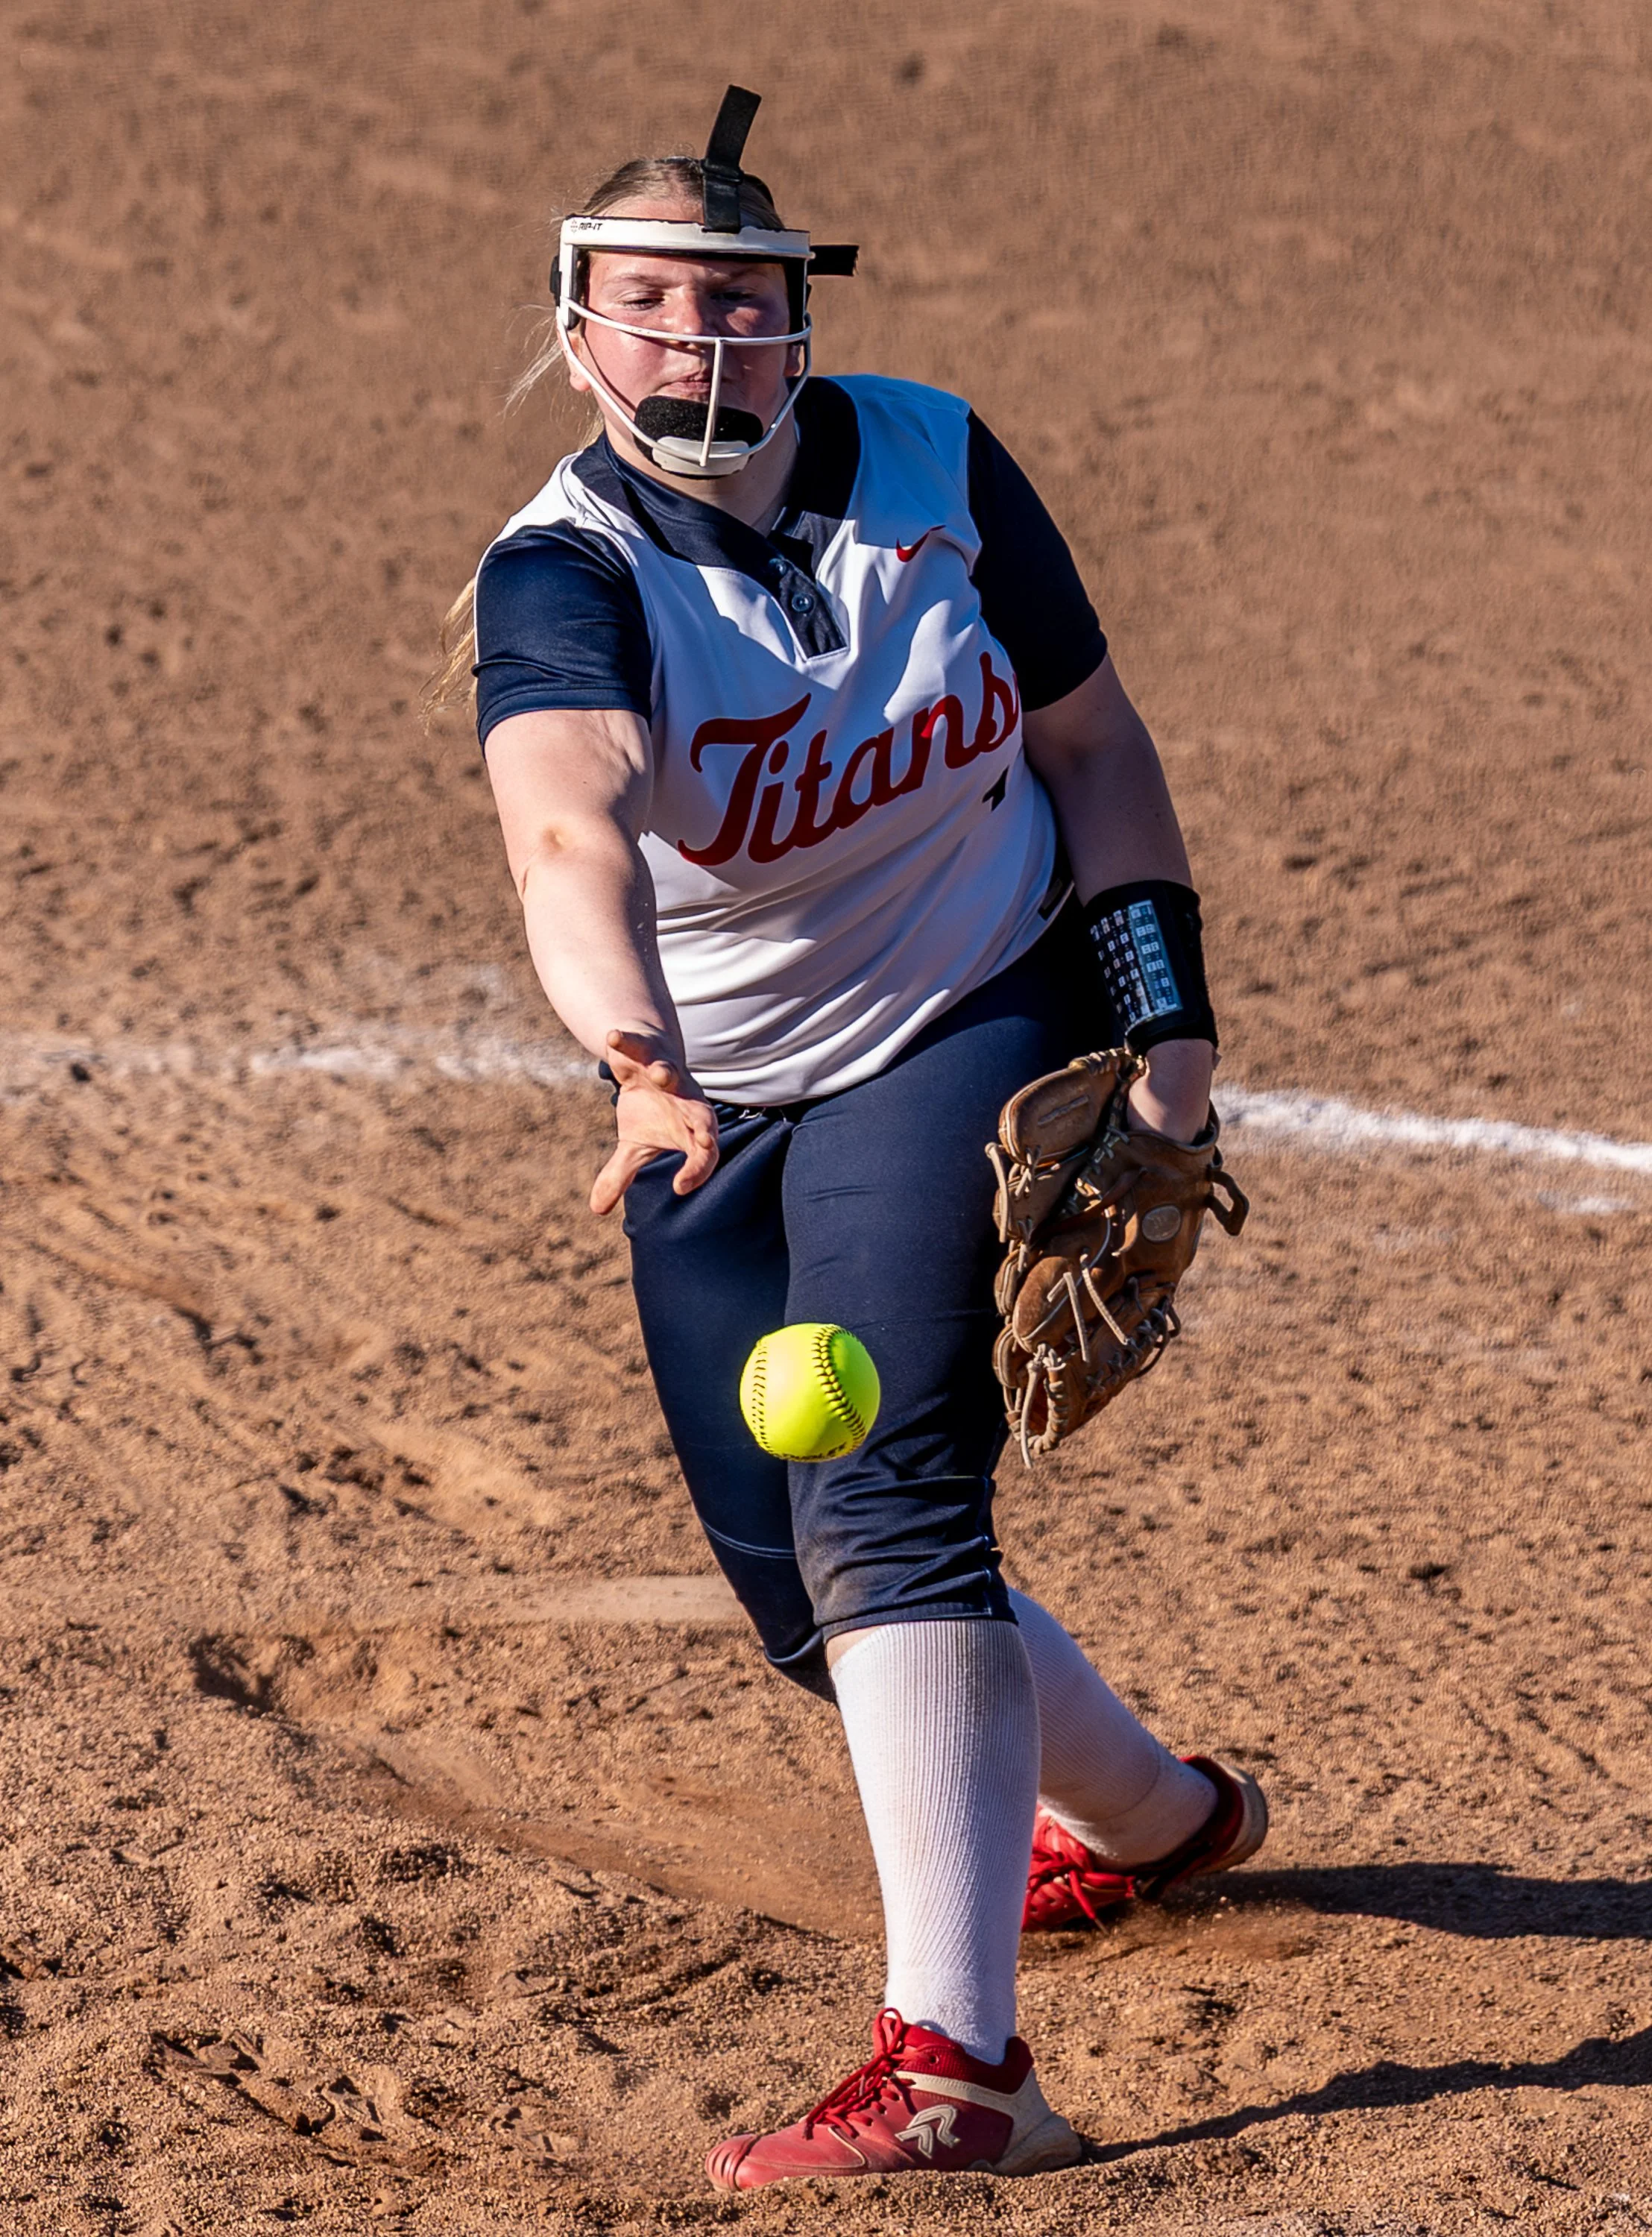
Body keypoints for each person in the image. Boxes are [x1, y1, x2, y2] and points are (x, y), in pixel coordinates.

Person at [440, 88, 1267, 2191]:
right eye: (648, 309)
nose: (700, 348)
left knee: (885, 1489)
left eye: (740, 305)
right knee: (799, 1590)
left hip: (977, 997)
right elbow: (562, 824)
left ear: (804, 321)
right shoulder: (569, 570)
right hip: (707, 1081)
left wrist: (1161, 1029)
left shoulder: (936, 453)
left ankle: (959, 2071)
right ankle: (1168, 1821)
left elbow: (1089, 742)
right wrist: (636, 1061)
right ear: (575, 328)